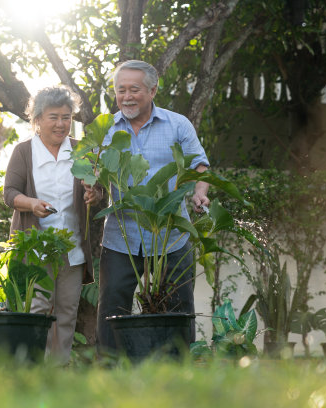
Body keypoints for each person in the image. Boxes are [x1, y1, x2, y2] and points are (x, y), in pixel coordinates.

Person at [96, 60, 210, 353]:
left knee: (179, 304)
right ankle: (109, 368)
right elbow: (94, 170)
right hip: (121, 236)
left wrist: (199, 192)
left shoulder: (177, 124)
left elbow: (200, 165)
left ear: (153, 90)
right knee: (112, 304)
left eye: (134, 89)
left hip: (171, 233)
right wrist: (90, 186)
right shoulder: (106, 128)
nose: (127, 97)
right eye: (121, 90)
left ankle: (179, 366)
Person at [4, 85, 101, 363]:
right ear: (37, 119)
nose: (61, 124)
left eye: (66, 117)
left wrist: (94, 193)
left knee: (67, 312)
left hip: (71, 251)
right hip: (35, 247)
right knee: (36, 310)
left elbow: (99, 193)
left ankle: (58, 372)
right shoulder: (24, 152)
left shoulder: (82, 151)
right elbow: (9, 193)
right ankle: (32, 371)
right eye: (53, 117)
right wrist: (32, 203)